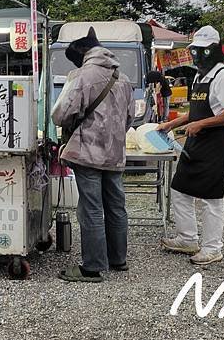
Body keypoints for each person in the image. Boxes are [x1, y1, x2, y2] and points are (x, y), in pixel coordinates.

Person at [52, 27, 135, 283]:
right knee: (116, 206)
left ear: (82, 56)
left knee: (91, 208)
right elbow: (129, 118)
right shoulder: (123, 78)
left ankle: (92, 267)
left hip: (87, 152)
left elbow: (60, 114)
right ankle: (117, 259)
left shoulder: (81, 76)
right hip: (115, 153)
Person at [157, 25, 224, 265]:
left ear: (214, 50)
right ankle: (187, 238)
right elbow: (195, 111)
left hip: (214, 144)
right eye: (195, 51)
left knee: (210, 199)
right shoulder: (199, 76)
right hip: (195, 142)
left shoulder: (223, 76)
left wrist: (202, 124)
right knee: (180, 189)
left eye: (202, 51)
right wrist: (172, 124)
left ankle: (213, 248)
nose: (197, 56)